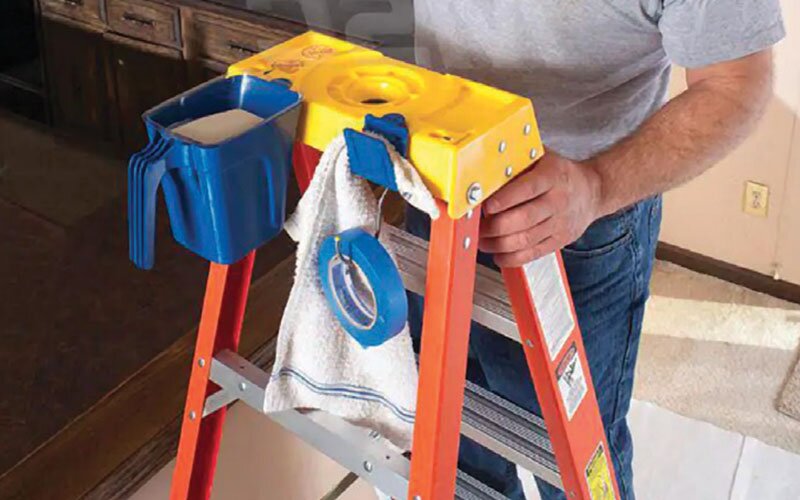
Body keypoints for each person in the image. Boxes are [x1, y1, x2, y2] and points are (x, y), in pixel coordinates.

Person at [405, 1, 785, 499]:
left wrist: (598, 186)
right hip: (431, 185)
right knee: (452, 440)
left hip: (573, 219)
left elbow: (738, 84)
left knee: (571, 464)